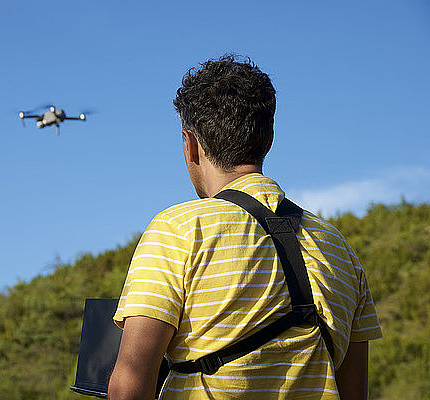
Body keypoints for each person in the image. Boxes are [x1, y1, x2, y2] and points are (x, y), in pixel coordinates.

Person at [108, 55, 382, 400]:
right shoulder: (339, 248)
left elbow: (128, 386)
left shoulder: (178, 229)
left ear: (189, 145)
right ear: (268, 138)